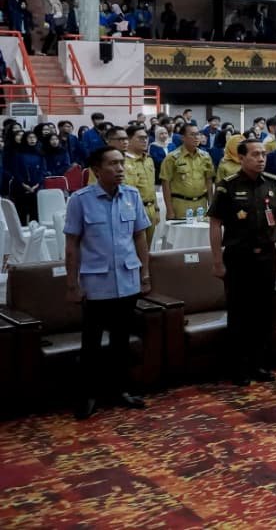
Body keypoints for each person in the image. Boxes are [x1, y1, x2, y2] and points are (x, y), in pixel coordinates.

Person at [62, 146, 152, 419]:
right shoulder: (80, 200)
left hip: (127, 279)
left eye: (122, 163)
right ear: (97, 170)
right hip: (96, 283)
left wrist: (145, 274)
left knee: (121, 340)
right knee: (91, 343)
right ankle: (88, 395)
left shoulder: (131, 196)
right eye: (113, 164)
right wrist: (72, 284)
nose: (120, 168)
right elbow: (72, 244)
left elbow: (139, 237)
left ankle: (120, 389)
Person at [208, 138, 276, 386]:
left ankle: (258, 363)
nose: (261, 158)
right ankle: (238, 367)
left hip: (266, 255)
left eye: (263, 154)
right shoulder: (228, 186)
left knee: (263, 311)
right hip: (239, 257)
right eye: (255, 154)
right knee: (240, 312)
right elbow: (215, 224)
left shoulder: (272, 182)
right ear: (241, 158)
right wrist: (217, 260)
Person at [160, 123, 214, 220]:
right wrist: (169, 210)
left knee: (201, 229)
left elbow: (209, 180)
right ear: (183, 138)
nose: (196, 137)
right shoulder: (172, 158)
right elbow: (165, 184)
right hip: (181, 205)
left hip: (201, 205)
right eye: (192, 134)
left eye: (198, 134)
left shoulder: (205, 156)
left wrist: (211, 203)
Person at [123, 126, 159, 249]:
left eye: (146, 138)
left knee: (147, 249)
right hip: (134, 209)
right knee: (134, 248)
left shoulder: (149, 159)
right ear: (129, 139)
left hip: (150, 208)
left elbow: (151, 186)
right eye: (140, 138)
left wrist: (156, 209)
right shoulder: (123, 161)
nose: (145, 140)